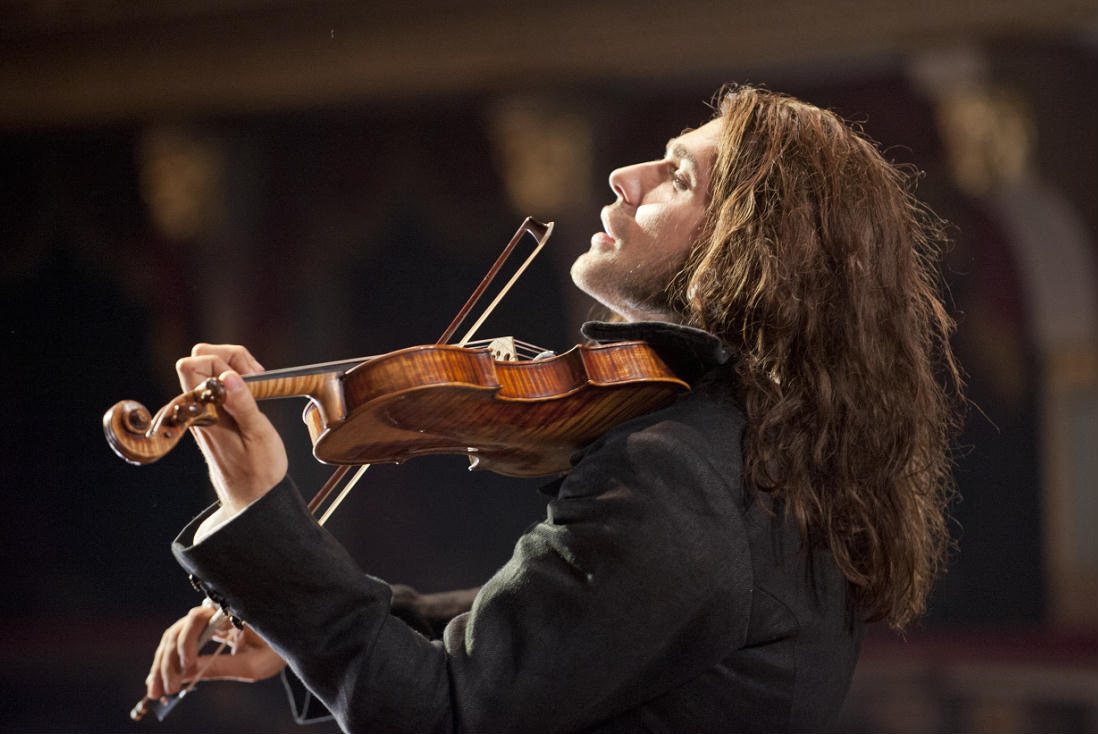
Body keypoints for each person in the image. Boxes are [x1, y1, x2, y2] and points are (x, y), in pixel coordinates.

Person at [144, 85, 963, 732]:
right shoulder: (772, 463)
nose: (624, 176)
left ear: (749, 254)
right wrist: (297, 642)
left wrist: (258, 511)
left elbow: (446, 713)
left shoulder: (673, 475)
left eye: (678, 177)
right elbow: (576, 633)